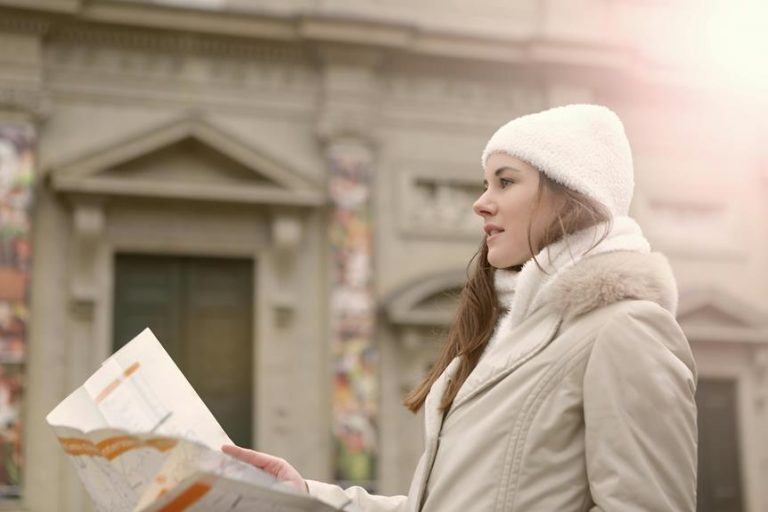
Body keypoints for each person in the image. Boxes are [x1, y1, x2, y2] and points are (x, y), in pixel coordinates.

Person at [224, 104, 698, 511]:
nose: (481, 203)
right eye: (485, 183)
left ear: (568, 193)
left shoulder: (627, 329)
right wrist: (305, 494)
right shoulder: (505, 334)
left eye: (505, 182)